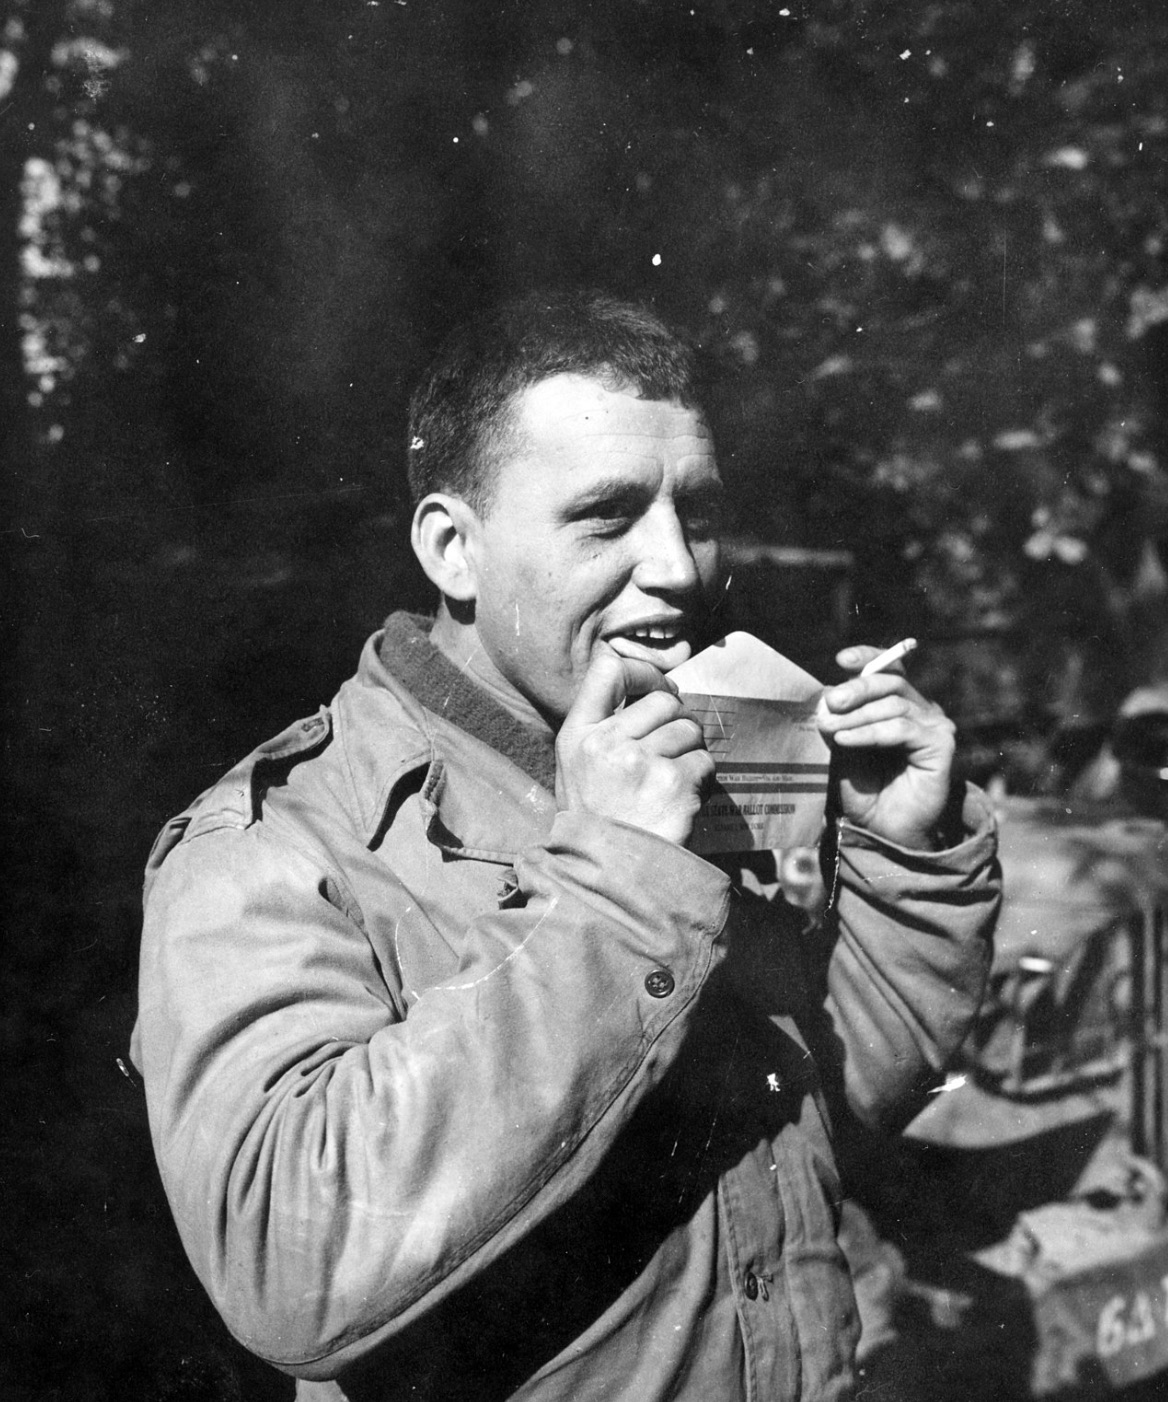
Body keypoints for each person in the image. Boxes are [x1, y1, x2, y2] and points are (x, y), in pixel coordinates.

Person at [132, 290, 1001, 1402]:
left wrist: (904, 855)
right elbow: (287, 1267)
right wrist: (621, 889)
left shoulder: (696, 744)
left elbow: (839, 1103)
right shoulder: (283, 842)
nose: (681, 566)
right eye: (606, 516)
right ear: (454, 548)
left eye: (697, 508)